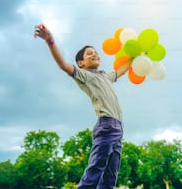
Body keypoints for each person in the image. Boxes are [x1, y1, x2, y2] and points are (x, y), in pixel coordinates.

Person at [34, 24, 131, 189]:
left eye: (95, 52)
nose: (94, 53)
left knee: (110, 176)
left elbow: (121, 70)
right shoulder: (85, 76)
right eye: (89, 53)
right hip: (107, 126)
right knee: (95, 170)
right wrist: (50, 41)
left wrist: (135, 57)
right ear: (81, 63)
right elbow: (64, 65)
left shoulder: (105, 77)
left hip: (118, 128)